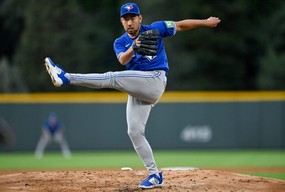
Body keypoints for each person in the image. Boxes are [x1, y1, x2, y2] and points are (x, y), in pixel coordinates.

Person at [44, 2, 220, 189]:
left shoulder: (156, 29)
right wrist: (134, 47)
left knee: (111, 78)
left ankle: (67, 77)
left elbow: (181, 25)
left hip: (155, 79)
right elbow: (122, 60)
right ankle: (154, 175)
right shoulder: (120, 42)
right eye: (126, 19)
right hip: (138, 88)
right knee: (134, 132)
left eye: (133, 18)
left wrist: (206, 22)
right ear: (121, 21)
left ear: (140, 18)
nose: (129, 22)